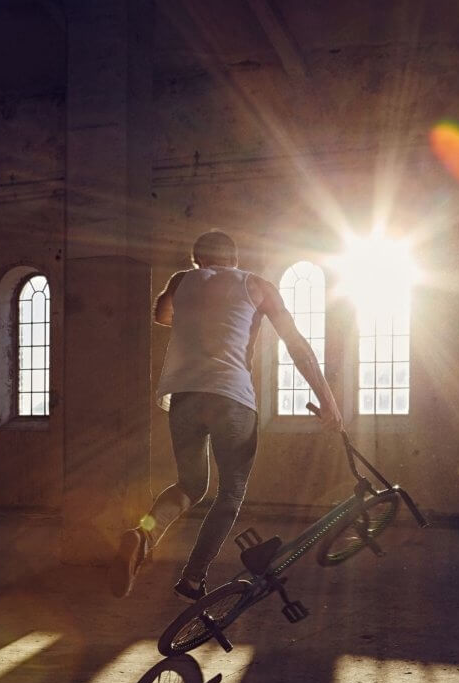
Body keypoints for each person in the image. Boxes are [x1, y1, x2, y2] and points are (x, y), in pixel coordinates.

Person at [109, 229, 342, 599]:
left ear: (197, 259)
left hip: (184, 397)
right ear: (235, 259)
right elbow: (296, 345)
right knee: (230, 490)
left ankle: (144, 534)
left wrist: (197, 316)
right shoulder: (258, 285)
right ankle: (193, 577)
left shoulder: (183, 280)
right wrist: (327, 399)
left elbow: (162, 314)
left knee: (191, 484)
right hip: (231, 397)